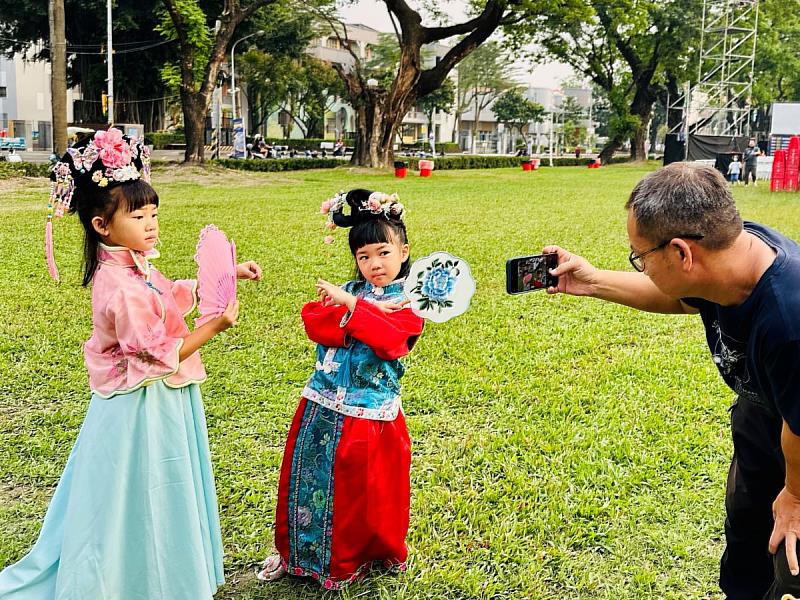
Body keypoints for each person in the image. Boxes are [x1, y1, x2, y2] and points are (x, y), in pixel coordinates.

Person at [0, 128, 262, 599]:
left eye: (154, 213)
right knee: (140, 489)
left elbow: (169, 293)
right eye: (138, 215)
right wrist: (214, 327)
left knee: (152, 487)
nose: (151, 224)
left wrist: (226, 274)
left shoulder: (134, 264)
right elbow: (159, 351)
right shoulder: (118, 286)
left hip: (158, 397)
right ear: (102, 225)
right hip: (139, 405)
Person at [544, 162, 800, 599]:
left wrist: (794, 494)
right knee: (747, 551)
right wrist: (592, 281)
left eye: (639, 256)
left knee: (793, 561)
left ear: (682, 252)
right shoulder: (731, 250)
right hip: (762, 416)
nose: (640, 267)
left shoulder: (789, 320)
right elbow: (685, 299)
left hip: (796, 433)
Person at [256, 189, 424, 589]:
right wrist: (357, 311)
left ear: (403, 250)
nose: (373, 264)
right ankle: (294, 550)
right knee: (304, 478)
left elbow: (391, 340)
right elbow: (315, 319)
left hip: (370, 411)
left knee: (361, 492)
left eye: (383, 252)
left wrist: (352, 308)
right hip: (322, 400)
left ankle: (352, 560)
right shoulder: (353, 289)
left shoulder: (412, 301)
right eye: (364, 256)